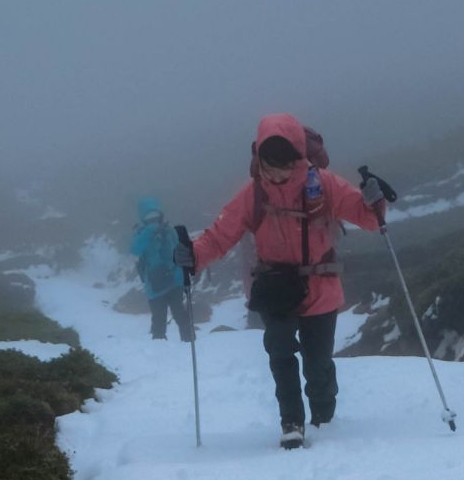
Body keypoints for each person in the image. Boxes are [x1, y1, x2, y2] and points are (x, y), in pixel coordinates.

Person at [175, 116, 390, 447]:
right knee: (280, 354)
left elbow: (368, 219)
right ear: (258, 160)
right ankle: (292, 421)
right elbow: (221, 234)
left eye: (282, 166)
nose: (275, 174)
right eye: (267, 165)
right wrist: (194, 255)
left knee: (318, 365)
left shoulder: (324, 184)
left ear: (298, 159)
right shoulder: (254, 194)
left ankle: (323, 418)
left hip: (321, 289)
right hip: (276, 288)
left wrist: (375, 202)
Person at [130, 196, 195, 343]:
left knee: (159, 318)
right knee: (179, 313)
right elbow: (179, 250)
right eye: (150, 216)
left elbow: (134, 250)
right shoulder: (168, 229)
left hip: (155, 285)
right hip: (174, 280)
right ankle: (189, 341)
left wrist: (146, 233)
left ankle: (159, 346)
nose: (152, 219)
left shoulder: (141, 233)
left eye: (154, 215)